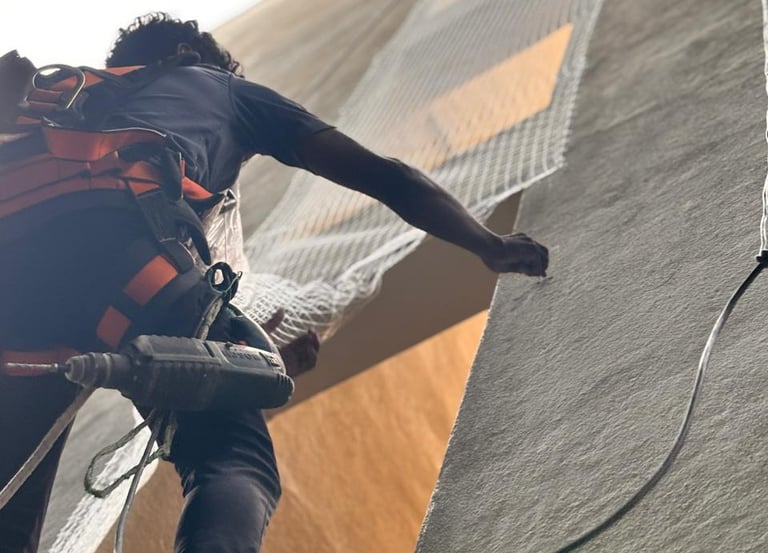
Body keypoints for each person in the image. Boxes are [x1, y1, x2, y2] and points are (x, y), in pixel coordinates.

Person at [0, 12, 549, 553]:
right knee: (231, 458)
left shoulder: (53, 102)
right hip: (129, 261)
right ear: (190, 58)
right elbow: (390, 177)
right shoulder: (222, 91)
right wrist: (489, 245)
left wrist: (242, 359)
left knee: (10, 504)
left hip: (14, 297)